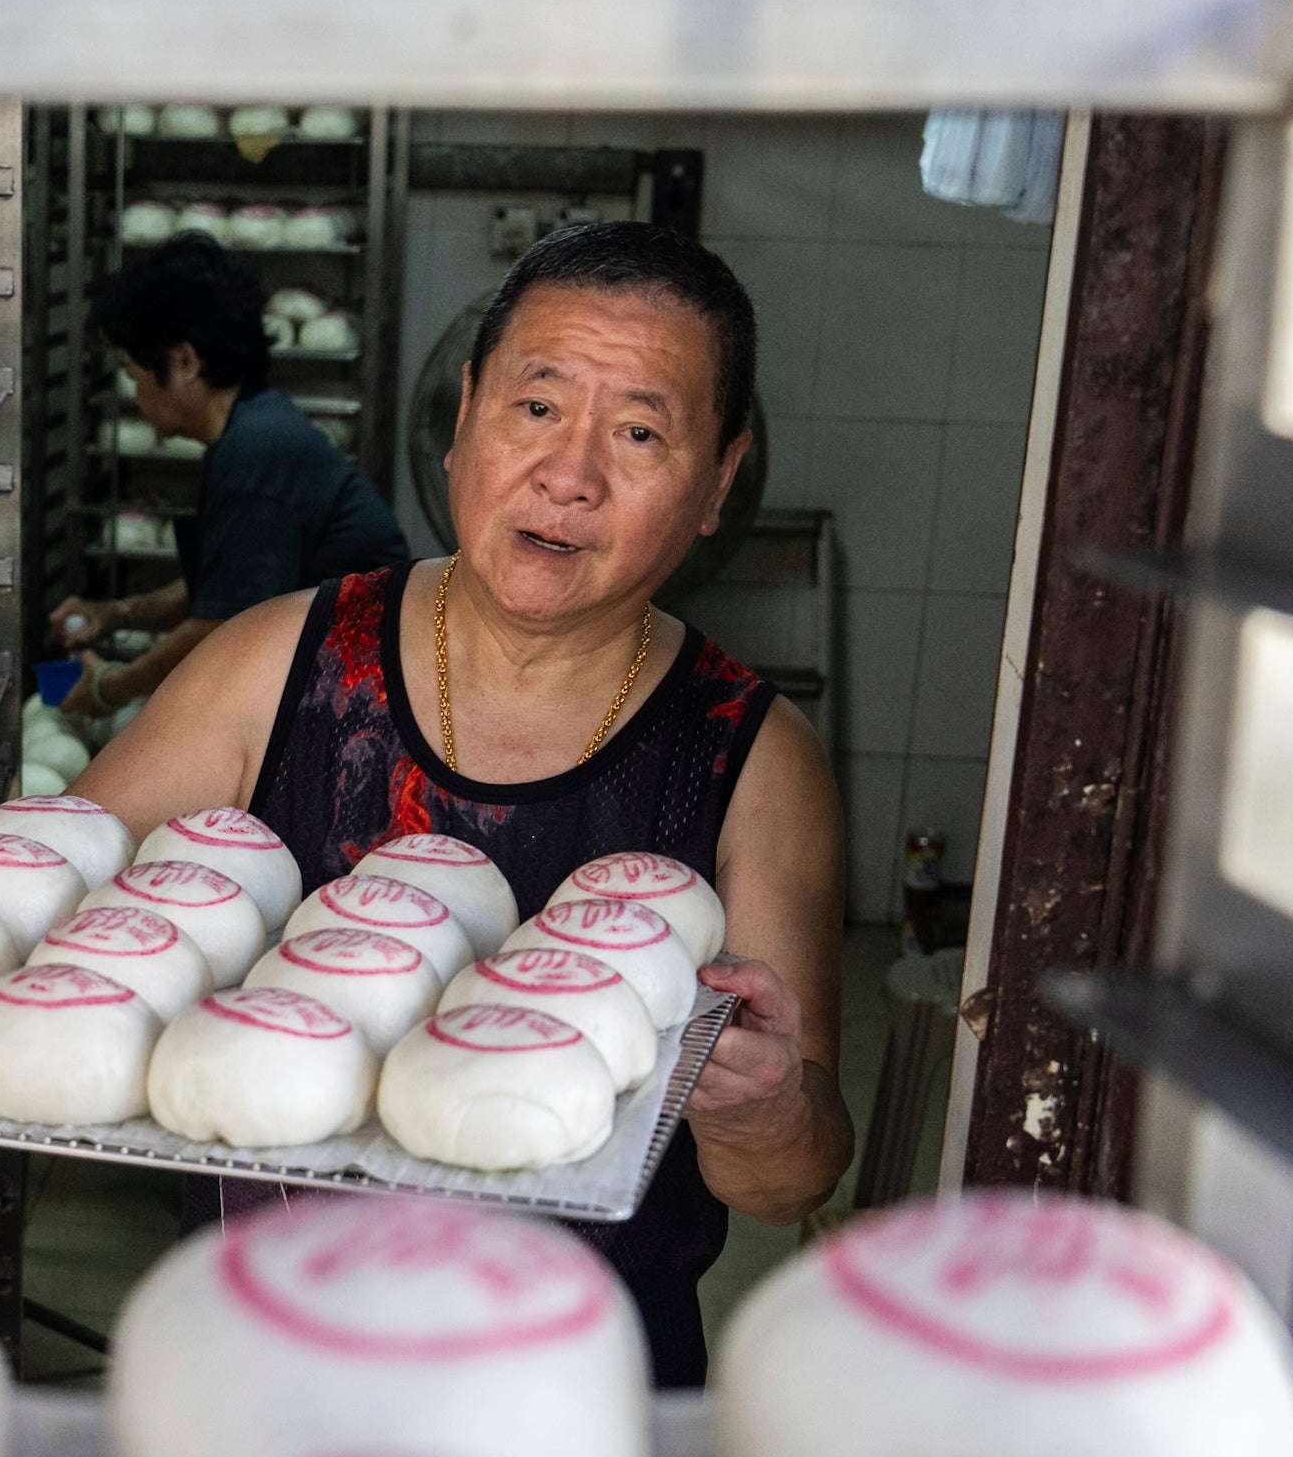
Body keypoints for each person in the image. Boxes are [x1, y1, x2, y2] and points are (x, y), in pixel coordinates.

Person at [63, 222, 848, 1387]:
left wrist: (758, 1106)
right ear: (465, 411)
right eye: (536, 408)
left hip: (579, 1387)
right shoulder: (277, 664)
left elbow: (791, 1182)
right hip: (273, 1364)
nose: (569, 474)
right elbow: (51, 910)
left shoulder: (751, 758)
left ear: (715, 484)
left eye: (637, 432)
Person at [44, 234, 406, 717]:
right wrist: (117, 614)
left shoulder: (254, 454)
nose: (135, 394)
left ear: (186, 362)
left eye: (134, 375)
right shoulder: (254, 428)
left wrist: (111, 688)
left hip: (360, 700)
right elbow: (222, 584)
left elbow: (220, 622)